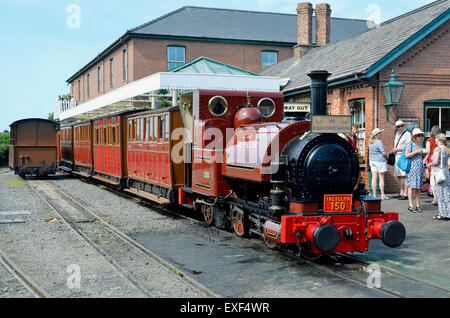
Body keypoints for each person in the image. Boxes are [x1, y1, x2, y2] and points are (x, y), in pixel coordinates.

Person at [427, 133, 450, 220]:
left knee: (440, 194)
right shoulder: (446, 149)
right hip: (446, 172)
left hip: (439, 173)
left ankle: (442, 213)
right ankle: (447, 213)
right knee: (447, 194)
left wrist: (430, 164)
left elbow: (436, 161)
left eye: (436, 139)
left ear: (437, 139)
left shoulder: (437, 149)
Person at [405, 128, 425, 213]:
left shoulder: (420, 145)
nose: (421, 137)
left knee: (418, 187)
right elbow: (407, 155)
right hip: (412, 168)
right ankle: (410, 205)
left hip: (419, 168)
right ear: (415, 137)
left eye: (422, 136)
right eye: (419, 136)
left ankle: (417, 204)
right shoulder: (410, 144)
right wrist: (416, 152)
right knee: (411, 186)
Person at [392, 120, 412, 200]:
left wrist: (397, 149)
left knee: (404, 176)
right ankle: (401, 192)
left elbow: (409, 146)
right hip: (397, 156)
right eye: (398, 126)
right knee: (399, 176)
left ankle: (406, 194)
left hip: (403, 156)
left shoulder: (407, 134)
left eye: (401, 126)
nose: (400, 128)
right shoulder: (397, 134)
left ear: (403, 126)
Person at [368, 128, 390, 200]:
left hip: (372, 161)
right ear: (377, 134)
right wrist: (388, 157)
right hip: (380, 161)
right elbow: (383, 153)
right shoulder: (378, 142)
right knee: (381, 178)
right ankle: (382, 195)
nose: (381, 134)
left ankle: (374, 194)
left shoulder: (370, 142)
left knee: (374, 177)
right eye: (380, 133)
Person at [423, 125, 442, 205]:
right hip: (440, 161)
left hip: (432, 161)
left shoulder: (429, 140)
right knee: (440, 179)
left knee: (433, 180)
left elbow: (428, 152)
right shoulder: (442, 141)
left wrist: (424, 160)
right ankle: (440, 197)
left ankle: (435, 198)